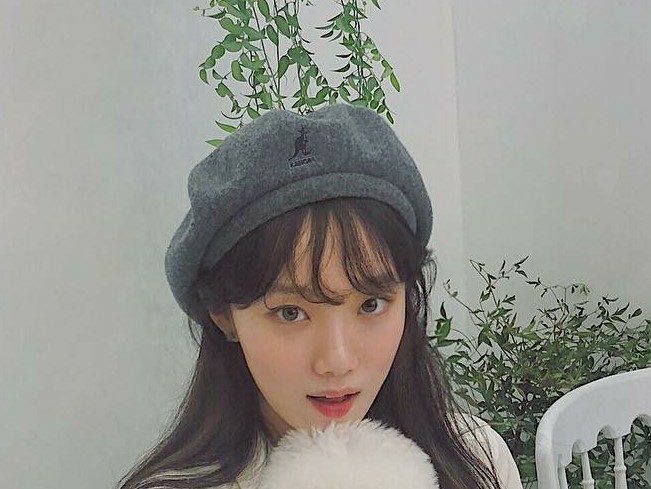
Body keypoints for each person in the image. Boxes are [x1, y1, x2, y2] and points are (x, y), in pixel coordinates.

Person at [117, 104, 524, 489]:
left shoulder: (477, 460)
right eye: (290, 312)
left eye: (370, 304)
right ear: (224, 315)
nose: (337, 361)